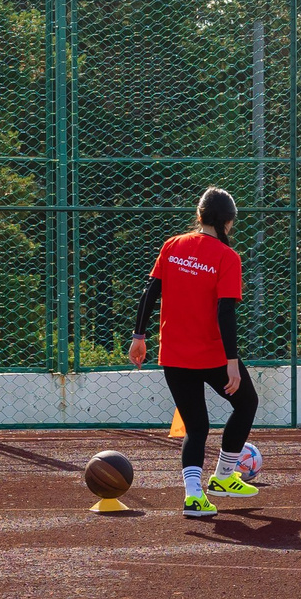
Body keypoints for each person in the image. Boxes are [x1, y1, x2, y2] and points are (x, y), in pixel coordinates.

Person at [129, 186, 257, 515]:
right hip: (212, 354)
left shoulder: (173, 246)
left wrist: (138, 336)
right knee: (246, 403)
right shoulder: (228, 257)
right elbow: (225, 312)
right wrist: (232, 362)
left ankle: (193, 496)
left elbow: (150, 292)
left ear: (199, 216)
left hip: (174, 354)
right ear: (228, 223)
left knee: (196, 427)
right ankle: (223, 477)